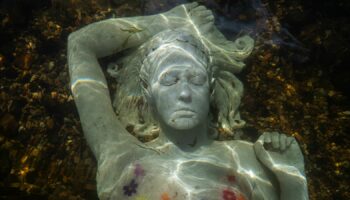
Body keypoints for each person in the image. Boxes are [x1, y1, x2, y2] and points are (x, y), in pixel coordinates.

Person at [67, 3, 308, 200]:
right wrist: (166, 21)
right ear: (148, 91)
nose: (184, 93)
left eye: (196, 79)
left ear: (211, 88)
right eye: (169, 80)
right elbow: (80, 45)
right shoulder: (120, 154)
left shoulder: (249, 158)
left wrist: (293, 180)